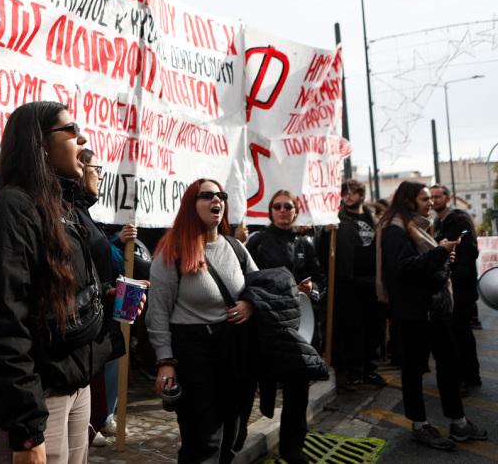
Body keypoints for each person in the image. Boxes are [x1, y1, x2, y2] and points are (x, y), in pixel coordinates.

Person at [0, 101, 119, 464]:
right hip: (34, 395)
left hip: (73, 386)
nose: (82, 137)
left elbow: (59, 298)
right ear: (40, 142)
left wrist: (106, 302)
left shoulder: (63, 208)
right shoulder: (10, 210)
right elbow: (2, 324)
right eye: (70, 129)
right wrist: (27, 432)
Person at [146, 179, 258, 464]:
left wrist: (251, 304)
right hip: (194, 353)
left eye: (220, 195)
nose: (216, 200)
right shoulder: (171, 252)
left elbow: (260, 286)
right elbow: (157, 312)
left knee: (230, 439)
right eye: (206, 195)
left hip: (233, 350)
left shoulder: (236, 248)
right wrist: (165, 362)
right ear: (190, 205)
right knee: (203, 443)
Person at [376, 181, 487, 450]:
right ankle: (419, 426)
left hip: (432, 310)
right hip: (414, 313)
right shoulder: (395, 229)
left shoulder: (414, 225)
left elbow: (419, 263)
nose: (430, 202)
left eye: (431, 198)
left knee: (449, 364)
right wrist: (440, 252)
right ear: (408, 201)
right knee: (414, 370)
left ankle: (458, 423)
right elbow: (404, 268)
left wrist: (439, 253)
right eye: (424, 198)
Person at [244, 190, 325, 464]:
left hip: (297, 327)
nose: (282, 210)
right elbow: (245, 280)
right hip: (264, 325)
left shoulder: (305, 245)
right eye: (277, 206)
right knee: (253, 383)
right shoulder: (257, 241)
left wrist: (312, 290)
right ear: (270, 211)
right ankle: (236, 438)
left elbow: (321, 282)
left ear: (295, 211)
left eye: (287, 206)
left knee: (298, 388)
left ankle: (292, 447)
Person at [72, 149, 138, 445]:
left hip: (99, 324)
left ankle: (100, 420)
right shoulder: (70, 214)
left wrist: (115, 291)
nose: (100, 175)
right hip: (81, 331)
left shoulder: (84, 213)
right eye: (96, 168)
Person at [318, 179, 386, 390]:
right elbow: (322, 253)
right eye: (345, 192)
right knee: (353, 329)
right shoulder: (337, 219)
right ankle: (354, 372)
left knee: (374, 327)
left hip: (373, 281)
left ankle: (371, 370)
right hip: (348, 282)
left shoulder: (373, 219)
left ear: (361, 195)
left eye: (353, 192)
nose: (348, 196)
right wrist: (326, 233)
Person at [430, 184, 481, 396]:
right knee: (458, 333)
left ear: (448, 198)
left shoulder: (459, 219)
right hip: (449, 287)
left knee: (459, 333)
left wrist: (455, 277)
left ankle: (465, 378)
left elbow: (469, 251)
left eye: (437, 197)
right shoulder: (437, 222)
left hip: (460, 288)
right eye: (430, 197)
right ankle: (470, 375)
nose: (433, 201)